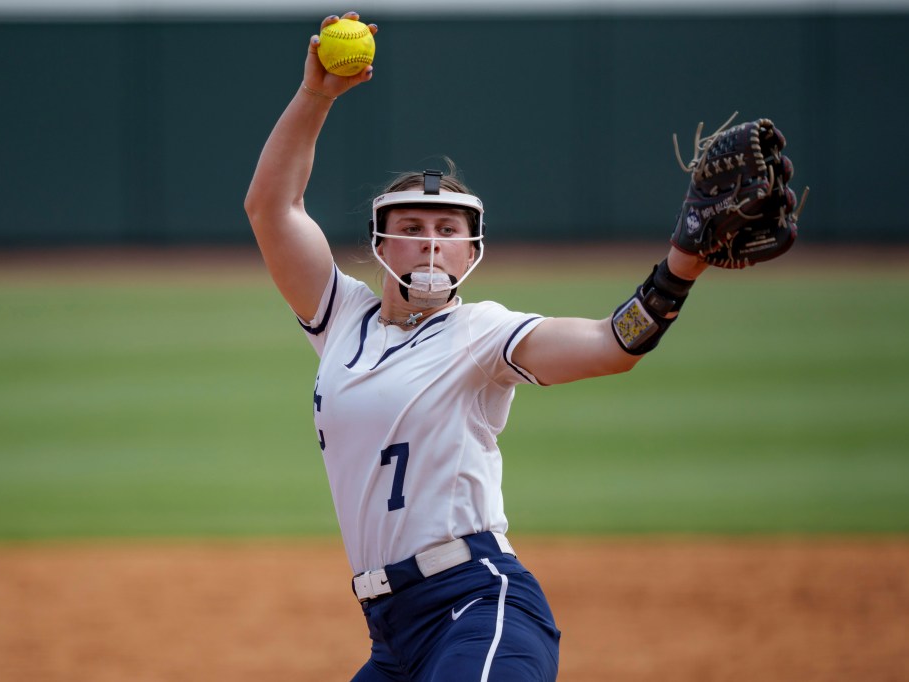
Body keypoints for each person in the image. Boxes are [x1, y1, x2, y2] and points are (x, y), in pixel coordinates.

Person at [244, 12, 708, 682]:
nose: (430, 240)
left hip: (478, 608)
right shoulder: (342, 316)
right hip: (391, 636)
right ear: (381, 242)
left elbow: (614, 343)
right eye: (411, 225)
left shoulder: (483, 333)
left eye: (447, 228)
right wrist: (315, 96)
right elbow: (272, 208)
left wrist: (682, 265)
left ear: (471, 248)